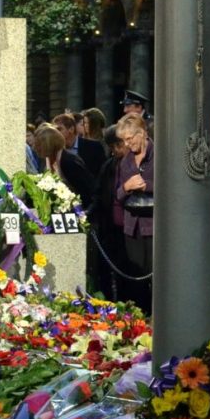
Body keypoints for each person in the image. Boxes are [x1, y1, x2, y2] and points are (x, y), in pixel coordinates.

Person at [115, 114, 154, 313]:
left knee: (155, 278)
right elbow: (118, 194)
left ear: (142, 133)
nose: (127, 144)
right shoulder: (125, 162)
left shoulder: (160, 156)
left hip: (155, 226)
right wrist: (127, 187)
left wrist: (146, 186)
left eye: (130, 139)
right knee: (136, 278)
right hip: (132, 228)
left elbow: (173, 188)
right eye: (124, 140)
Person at [91, 126, 128, 300]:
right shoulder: (109, 165)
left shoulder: (133, 164)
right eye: (111, 147)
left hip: (127, 229)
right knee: (104, 270)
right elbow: (99, 194)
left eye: (116, 146)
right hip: (108, 226)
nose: (114, 151)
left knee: (125, 274)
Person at [31, 123, 95, 209]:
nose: (35, 148)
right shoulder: (48, 160)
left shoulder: (69, 162)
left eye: (38, 145)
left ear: (48, 145)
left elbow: (85, 190)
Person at [53, 113, 106, 178]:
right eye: (54, 130)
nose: (56, 133)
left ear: (71, 129)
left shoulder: (94, 147)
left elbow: (103, 174)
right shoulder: (55, 151)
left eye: (59, 129)